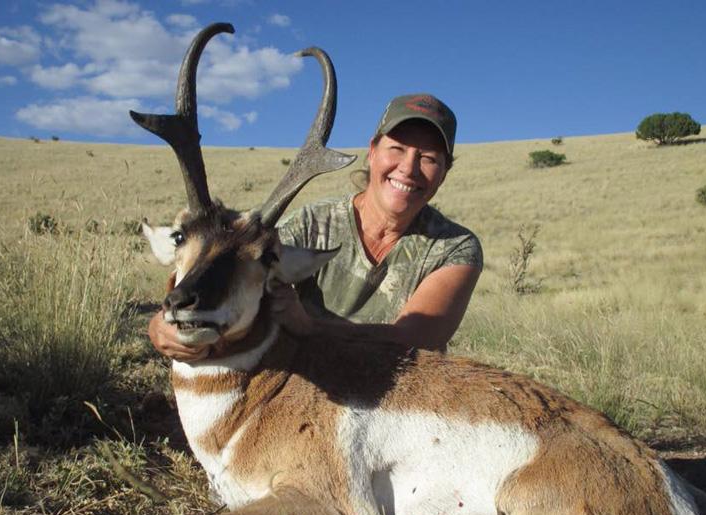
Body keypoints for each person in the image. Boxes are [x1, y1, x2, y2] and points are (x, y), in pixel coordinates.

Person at [149, 94, 483, 360]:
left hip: (399, 389)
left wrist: (311, 327)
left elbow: (416, 339)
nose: (408, 168)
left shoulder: (456, 248)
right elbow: (234, 267)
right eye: (396, 149)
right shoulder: (313, 223)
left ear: (444, 172)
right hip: (309, 380)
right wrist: (161, 325)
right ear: (372, 152)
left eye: (429, 158)